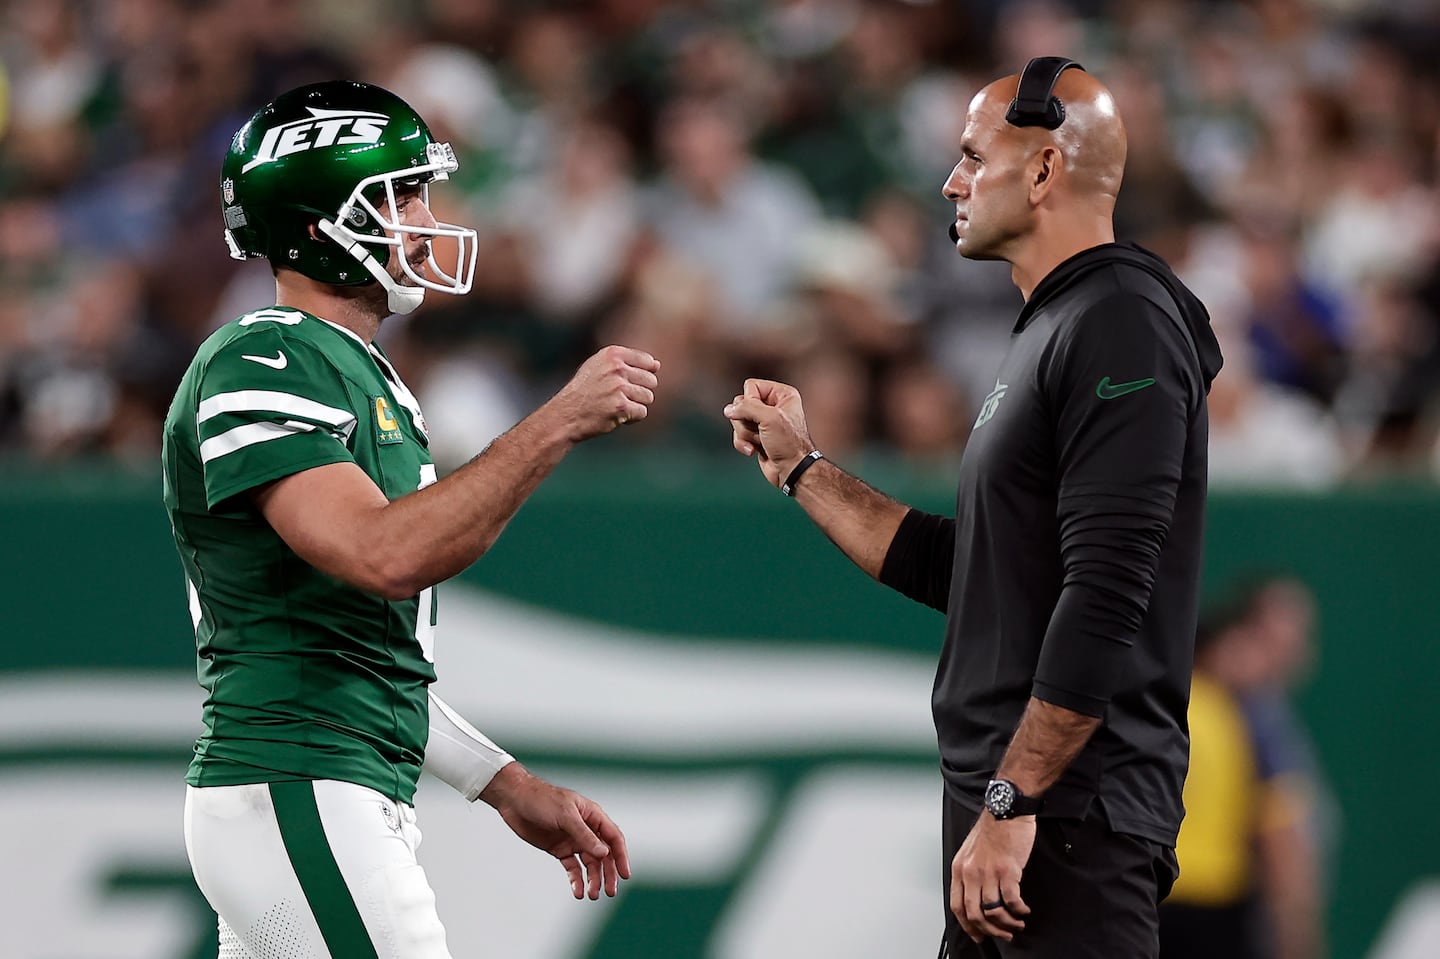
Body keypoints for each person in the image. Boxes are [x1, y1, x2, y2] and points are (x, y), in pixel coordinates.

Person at [724, 57, 1224, 958]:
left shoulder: (1120, 318)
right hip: (1032, 816)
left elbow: (1109, 588)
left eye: (970, 154)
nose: (950, 180)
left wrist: (1013, 799)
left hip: (1068, 818)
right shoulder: (1058, 322)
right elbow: (981, 573)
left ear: (1042, 171)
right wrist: (804, 469)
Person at [162, 80, 657, 959]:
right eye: (400, 196)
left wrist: (500, 781)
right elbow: (381, 554)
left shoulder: (351, 370)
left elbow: (353, 642)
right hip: (298, 778)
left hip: (320, 783)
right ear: (318, 227)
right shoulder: (263, 356)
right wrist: (558, 420)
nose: (428, 219)